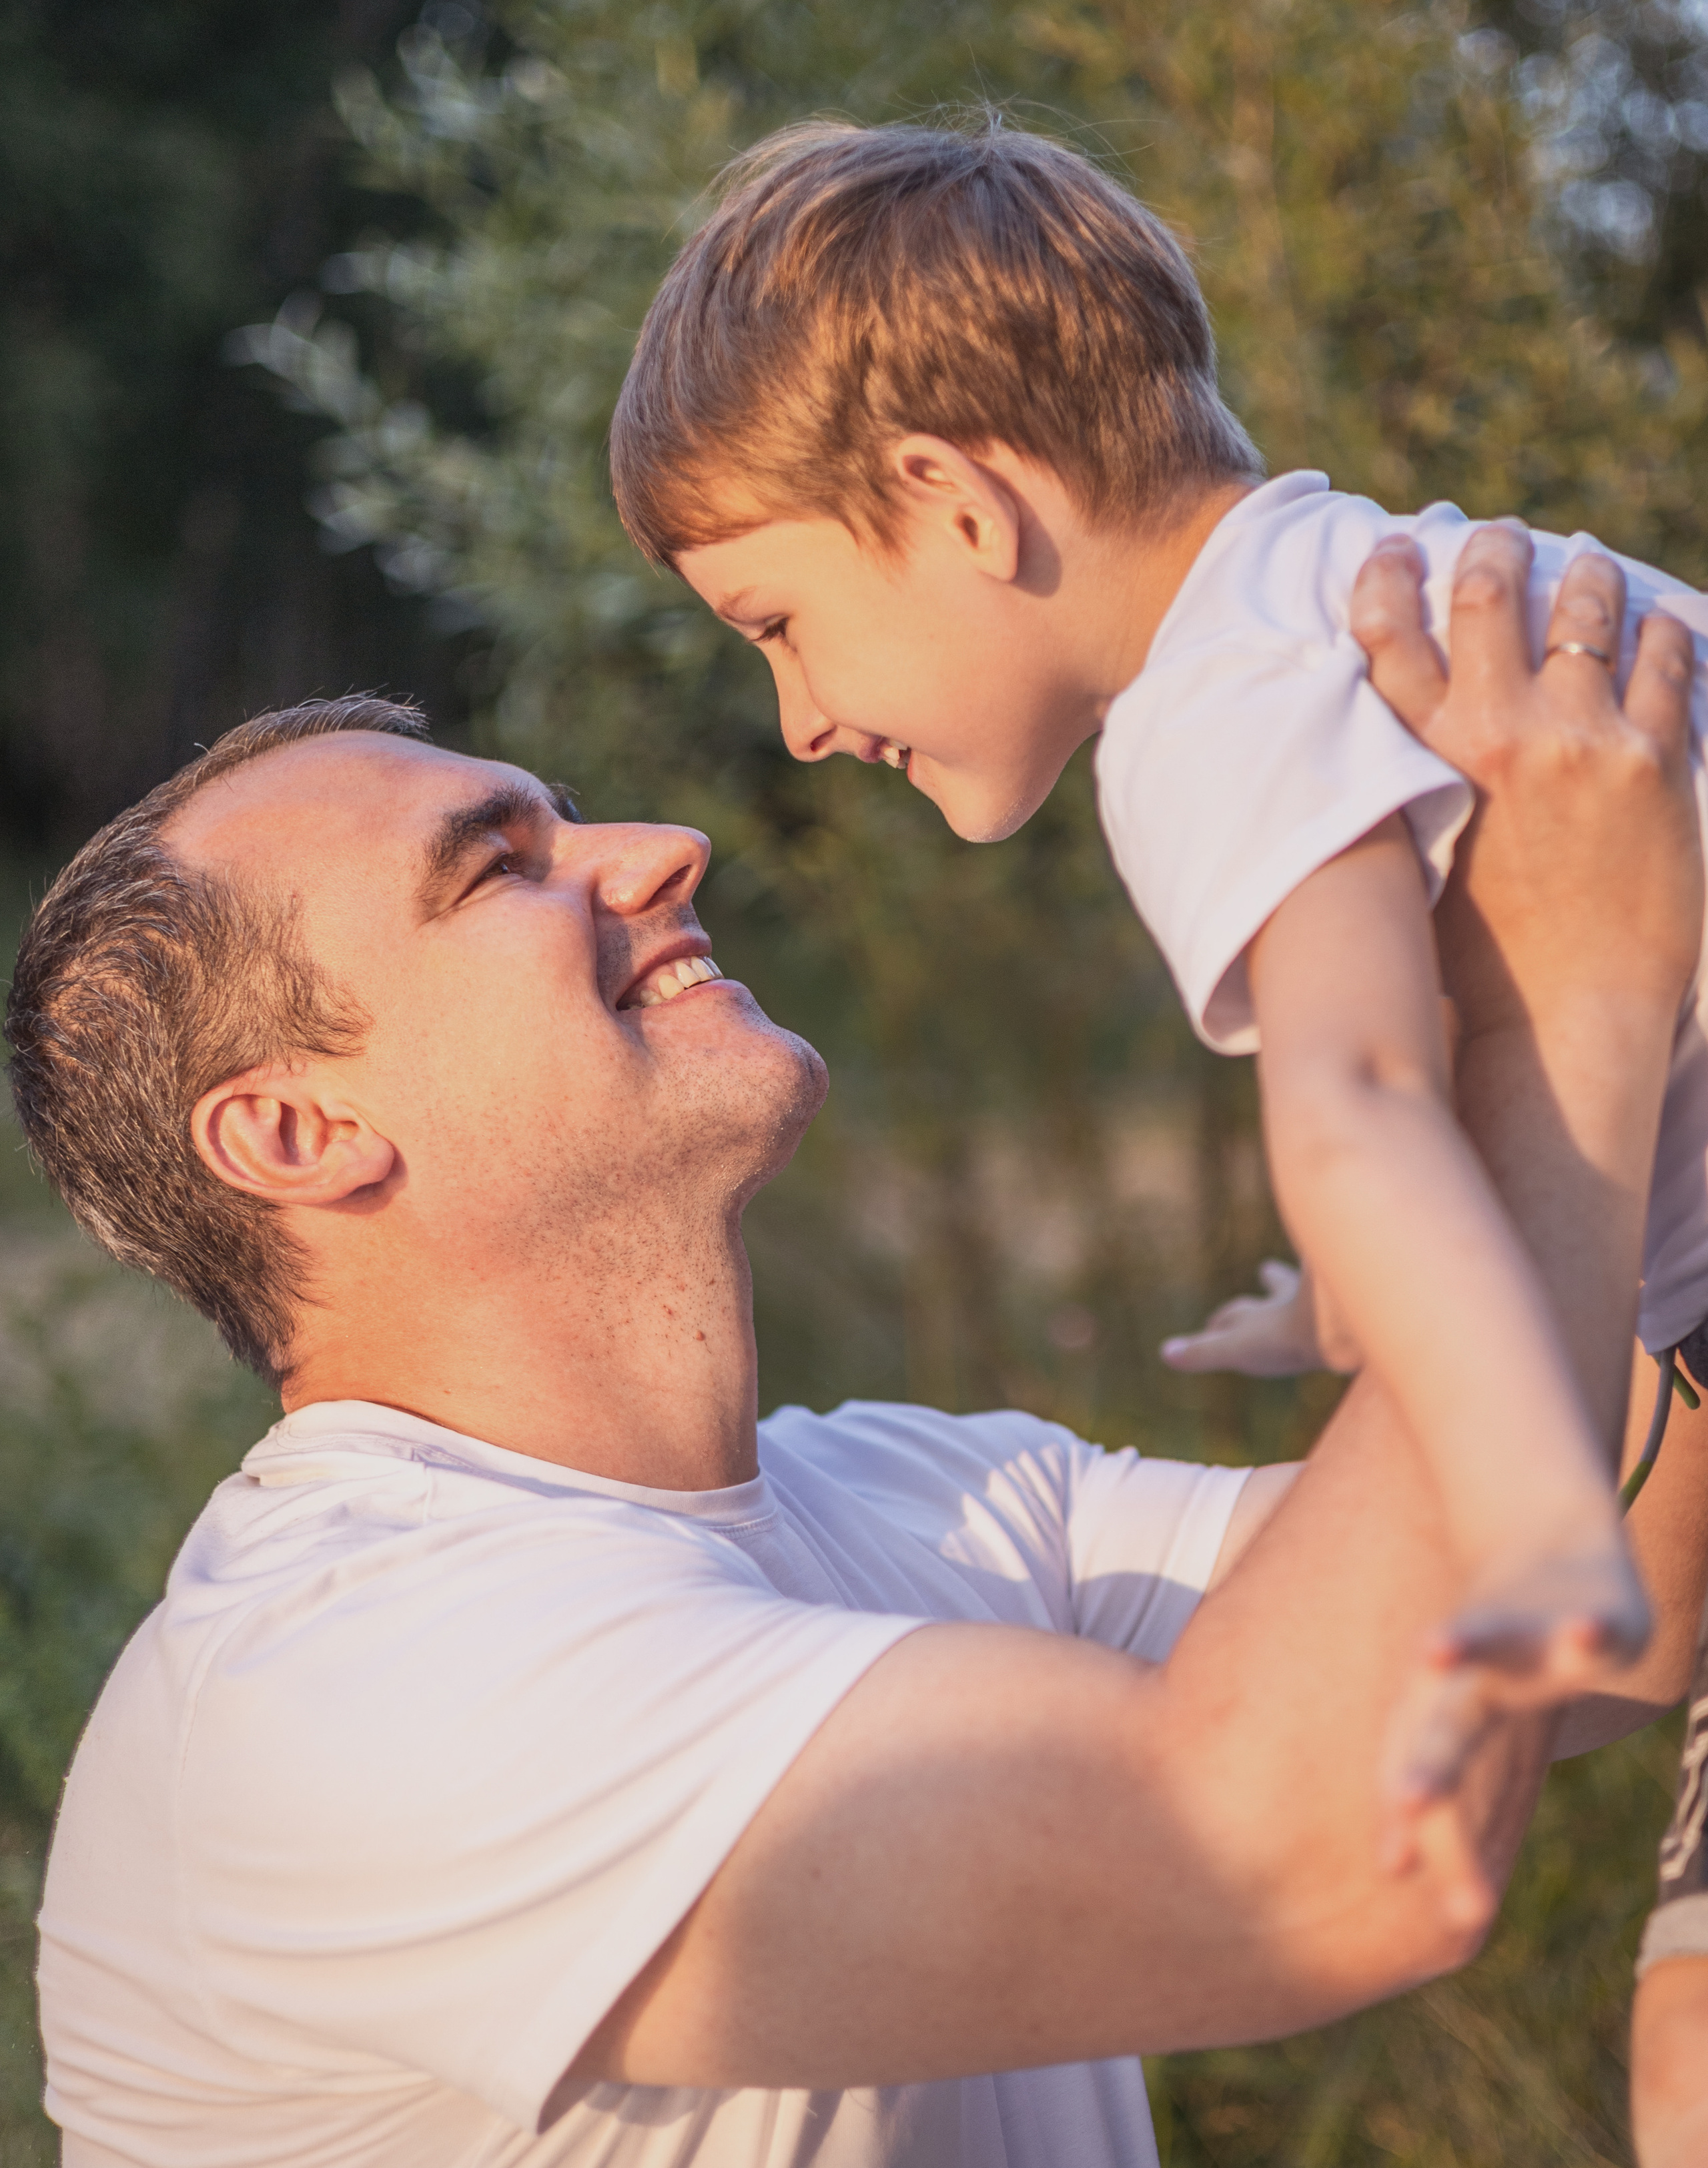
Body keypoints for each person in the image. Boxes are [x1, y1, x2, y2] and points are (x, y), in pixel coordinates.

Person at [6, 538, 1705, 2168]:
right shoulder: (350, 1689)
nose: (661, 845)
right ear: (299, 1129)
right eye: (499, 867)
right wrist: (1571, 1007)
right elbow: (1322, 1849)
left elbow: (1592, 1593)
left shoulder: (920, 1496)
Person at [608, 120, 1708, 1791]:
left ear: (952, 501)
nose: (802, 721)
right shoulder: (1354, 594)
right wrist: (1345, 1274)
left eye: (777, 624)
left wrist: (1527, 1513)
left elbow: (1359, 1092)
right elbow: (1415, 1013)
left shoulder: (1211, 704)